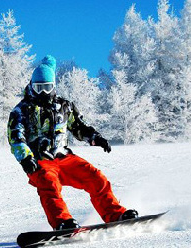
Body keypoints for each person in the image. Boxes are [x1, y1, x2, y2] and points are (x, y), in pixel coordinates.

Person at [7, 55, 138, 230]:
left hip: (64, 157)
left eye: (47, 88)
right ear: (31, 86)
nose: (43, 93)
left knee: (95, 177)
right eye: (39, 88)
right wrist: (26, 158)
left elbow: (78, 126)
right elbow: (16, 138)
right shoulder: (21, 110)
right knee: (49, 184)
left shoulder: (64, 106)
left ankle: (115, 214)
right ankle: (62, 222)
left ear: (54, 86)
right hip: (39, 161)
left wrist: (95, 137)